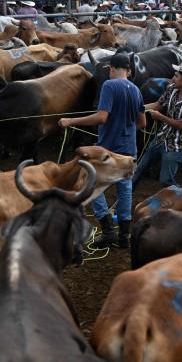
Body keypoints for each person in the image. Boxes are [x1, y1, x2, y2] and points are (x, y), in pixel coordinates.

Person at [58, 53, 146, 248]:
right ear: (129, 70)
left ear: (112, 69)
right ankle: (124, 236)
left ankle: (107, 230)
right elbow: (142, 122)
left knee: (92, 184)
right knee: (125, 189)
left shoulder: (109, 85)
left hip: (108, 149)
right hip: (129, 148)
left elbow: (101, 117)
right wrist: (125, 130)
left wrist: (71, 121)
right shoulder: (137, 90)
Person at [132, 61, 182, 189]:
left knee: (166, 181)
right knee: (138, 170)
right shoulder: (171, 89)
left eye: (176, 75)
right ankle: (122, 203)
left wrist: (160, 117)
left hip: (176, 146)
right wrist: (137, 108)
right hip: (160, 139)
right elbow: (158, 105)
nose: (172, 78)